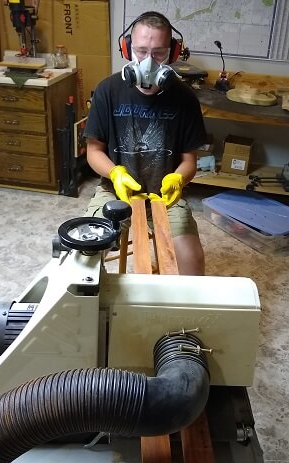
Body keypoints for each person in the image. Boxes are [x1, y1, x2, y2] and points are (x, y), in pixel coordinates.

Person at [83, 11, 207, 275]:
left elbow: (189, 161)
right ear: (127, 49)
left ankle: (179, 315)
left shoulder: (185, 99)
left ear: (173, 53)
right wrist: (115, 173)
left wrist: (178, 180)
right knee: (85, 258)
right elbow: (94, 151)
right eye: (140, 51)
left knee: (192, 265)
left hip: (165, 197)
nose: (148, 62)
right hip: (115, 192)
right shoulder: (108, 91)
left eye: (159, 53)